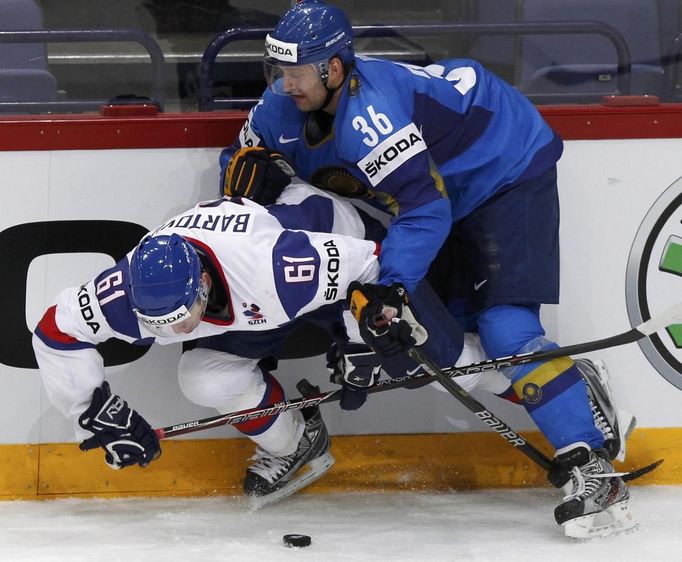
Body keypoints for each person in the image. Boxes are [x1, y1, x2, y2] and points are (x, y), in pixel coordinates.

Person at [217, 0, 636, 537]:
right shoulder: (282, 105)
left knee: (506, 330)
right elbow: (239, 158)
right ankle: (573, 389)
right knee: (448, 347)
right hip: (442, 195)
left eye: (297, 71)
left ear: (336, 68)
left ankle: (594, 469)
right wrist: (248, 171)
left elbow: (423, 208)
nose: (284, 83)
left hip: (502, 171)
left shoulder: (373, 115)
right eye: (278, 70)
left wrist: (391, 287)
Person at [31, 179, 502, 506]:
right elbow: (55, 331)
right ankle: (294, 442)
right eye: (160, 324)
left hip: (341, 256)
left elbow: (372, 265)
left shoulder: (275, 268)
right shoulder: (128, 290)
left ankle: (535, 381)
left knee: (435, 367)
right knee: (202, 377)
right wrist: (91, 416)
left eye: (182, 320)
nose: (175, 333)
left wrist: (362, 340)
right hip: (261, 303)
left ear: (203, 286)